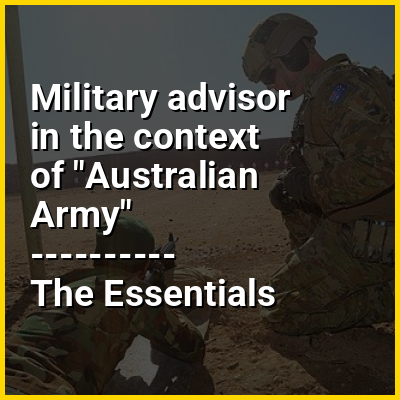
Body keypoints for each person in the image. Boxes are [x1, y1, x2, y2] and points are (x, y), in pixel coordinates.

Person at [242, 13, 394, 335]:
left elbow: (384, 165)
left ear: (294, 56)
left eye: (270, 75)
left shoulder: (341, 92)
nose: (270, 87)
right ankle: (323, 274)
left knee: (278, 309)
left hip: (379, 236)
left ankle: (386, 297)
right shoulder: (319, 97)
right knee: (291, 201)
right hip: (359, 223)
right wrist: (292, 185)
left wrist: (310, 188)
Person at [5, 216, 209, 394]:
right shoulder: (135, 293)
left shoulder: (61, 287)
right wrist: (158, 298)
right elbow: (192, 348)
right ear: (144, 264)